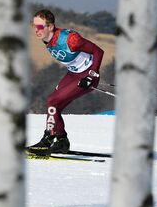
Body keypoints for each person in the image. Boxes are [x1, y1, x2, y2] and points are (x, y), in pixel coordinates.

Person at [27, 9, 104, 154]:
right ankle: (61, 141)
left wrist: (91, 76)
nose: (36, 30)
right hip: (73, 74)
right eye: (34, 26)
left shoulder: (70, 39)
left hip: (87, 75)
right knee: (54, 106)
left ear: (50, 27)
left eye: (40, 26)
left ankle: (49, 138)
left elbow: (98, 51)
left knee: (52, 101)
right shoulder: (45, 38)